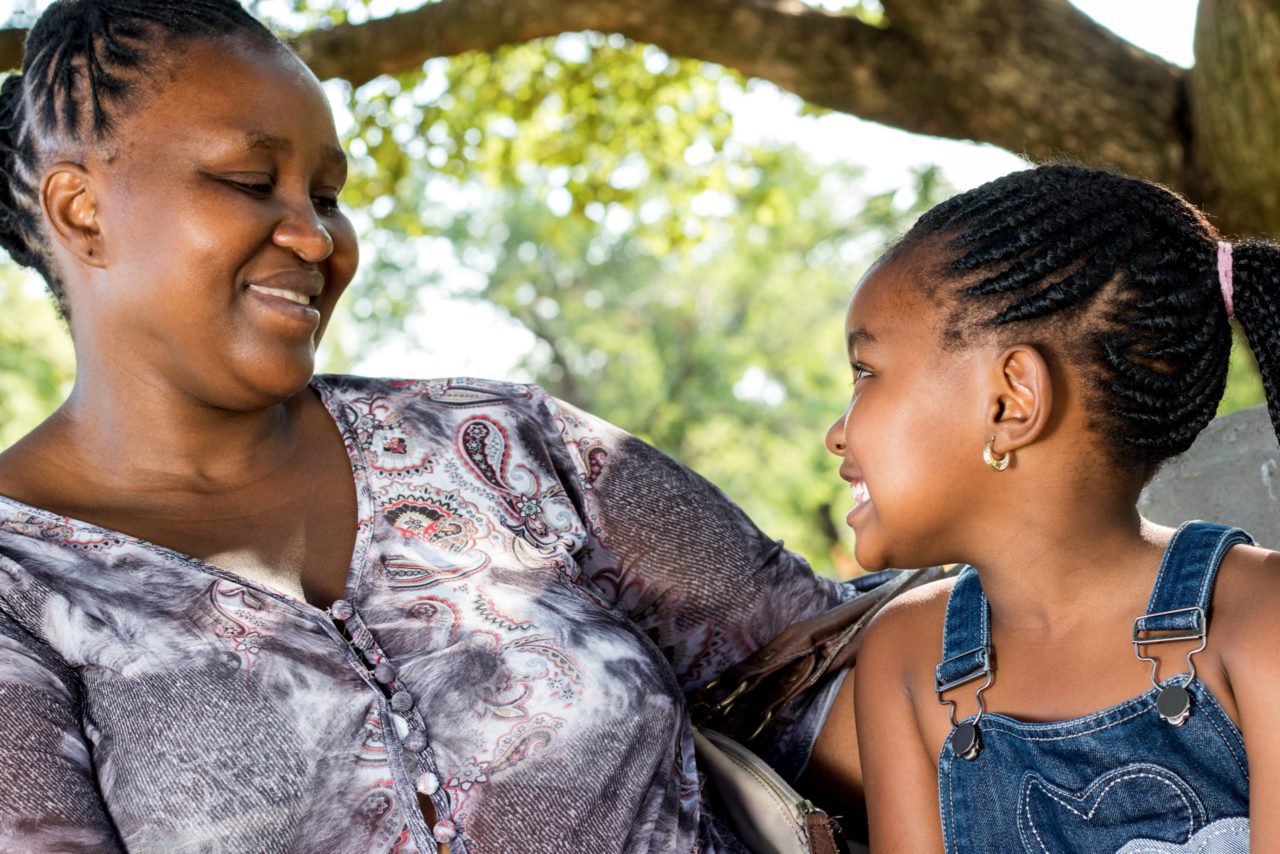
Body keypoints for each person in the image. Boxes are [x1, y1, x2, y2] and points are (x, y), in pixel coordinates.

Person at [0, 2, 870, 851]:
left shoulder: (500, 445)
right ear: (82, 210)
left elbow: (827, 671)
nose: (315, 238)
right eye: (251, 183)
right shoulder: (18, 589)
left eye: (329, 195)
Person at [828, 163, 1280, 851]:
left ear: (1012, 401)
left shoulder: (1261, 620)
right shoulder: (903, 656)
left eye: (866, 372)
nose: (837, 430)